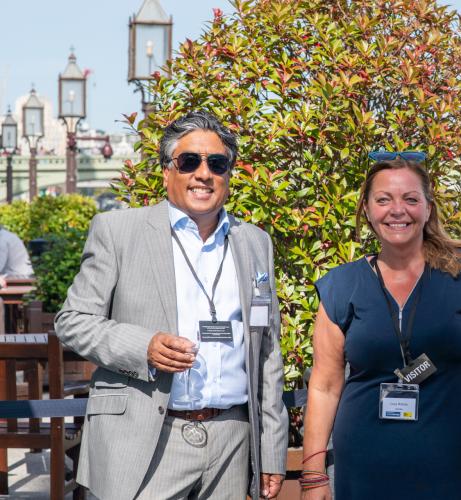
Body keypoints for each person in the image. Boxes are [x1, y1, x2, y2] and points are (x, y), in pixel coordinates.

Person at [55, 111, 288, 500]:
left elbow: (267, 353)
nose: (203, 174)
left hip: (232, 439)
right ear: (167, 172)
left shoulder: (255, 243)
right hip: (145, 436)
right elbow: (73, 321)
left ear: (229, 174)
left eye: (217, 163)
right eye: (189, 162)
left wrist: (271, 451)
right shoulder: (118, 231)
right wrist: (142, 346)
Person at [301, 153, 461, 499]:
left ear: (428, 208)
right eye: (383, 200)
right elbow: (324, 386)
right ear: (366, 208)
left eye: (411, 199)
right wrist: (313, 474)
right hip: (365, 471)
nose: (397, 210)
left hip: (455, 470)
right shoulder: (341, 287)